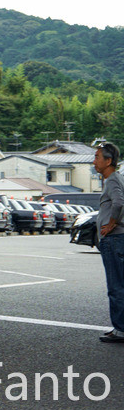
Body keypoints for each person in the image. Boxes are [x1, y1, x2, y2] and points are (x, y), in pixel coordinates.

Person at [93, 142, 124, 343]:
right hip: (117, 239)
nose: (94, 161)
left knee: (116, 286)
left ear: (108, 161)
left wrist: (111, 224)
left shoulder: (112, 180)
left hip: (113, 239)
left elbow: (119, 203)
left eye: (97, 157)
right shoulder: (117, 178)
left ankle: (120, 330)